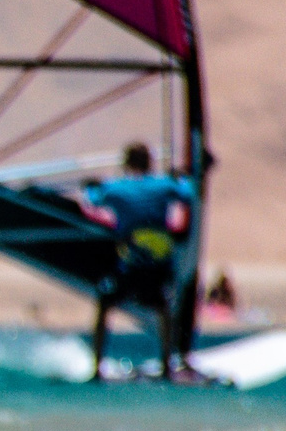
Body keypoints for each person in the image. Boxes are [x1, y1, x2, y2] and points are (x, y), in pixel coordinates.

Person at [79, 142, 199, 379]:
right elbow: (189, 193)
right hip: (158, 265)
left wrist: (91, 186)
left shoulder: (117, 189)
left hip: (131, 264)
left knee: (105, 305)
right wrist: (182, 178)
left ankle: (96, 368)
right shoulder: (164, 185)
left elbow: (92, 200)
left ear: (127, 163)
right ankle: (167, 367)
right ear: (150, 163)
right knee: (163, 306)